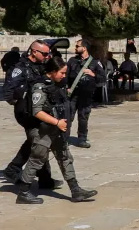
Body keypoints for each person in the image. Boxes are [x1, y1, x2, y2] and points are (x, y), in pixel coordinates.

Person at [15, 56, 97, 204]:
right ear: (52, 71)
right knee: (37, 159)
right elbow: (37, 111)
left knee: (65, 157)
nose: (64, 76)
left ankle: (75, 190)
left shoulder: (56, 84)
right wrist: (57, 122)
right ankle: (23, 192)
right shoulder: (39, 87)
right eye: (62, 73)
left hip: (56, 129)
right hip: (42, 130)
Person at [3, 40, 60, 188]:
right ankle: (17, 169)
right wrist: (22, 103)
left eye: (48, 53)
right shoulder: (20, 69)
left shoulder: (41, 66)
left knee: (37, 141)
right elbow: (8, 93)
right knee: (39, 140)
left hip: (37, 110)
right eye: (44, 53)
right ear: (34, 52)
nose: (47, 56)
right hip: (26, 112)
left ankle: (43, 178)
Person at [66, 40, 105, 148]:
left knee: (83, 117)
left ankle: (82, 139)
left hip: (86, 95)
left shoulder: (95, 62)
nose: (75, 48)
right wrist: (66, 88)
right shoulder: (72, 61)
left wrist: (93, 74)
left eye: (77, 46)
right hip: (73, 94)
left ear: (84, 48)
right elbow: (66, 76)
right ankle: (64, 139)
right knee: (68, 116)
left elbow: (103, 78)